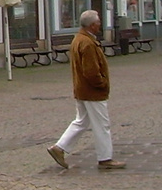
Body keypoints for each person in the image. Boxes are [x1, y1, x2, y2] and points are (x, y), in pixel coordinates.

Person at [47, 10, 125, 171]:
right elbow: (91, 71)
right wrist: (101, 83)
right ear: (92, 25)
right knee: (102, 125)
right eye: (98, 23)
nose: (100, 25)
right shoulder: (87, 43)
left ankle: (60, 147)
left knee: (81, 121)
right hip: (92, 92)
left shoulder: (79, 39)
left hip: (82, 90)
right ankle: (105, 158)